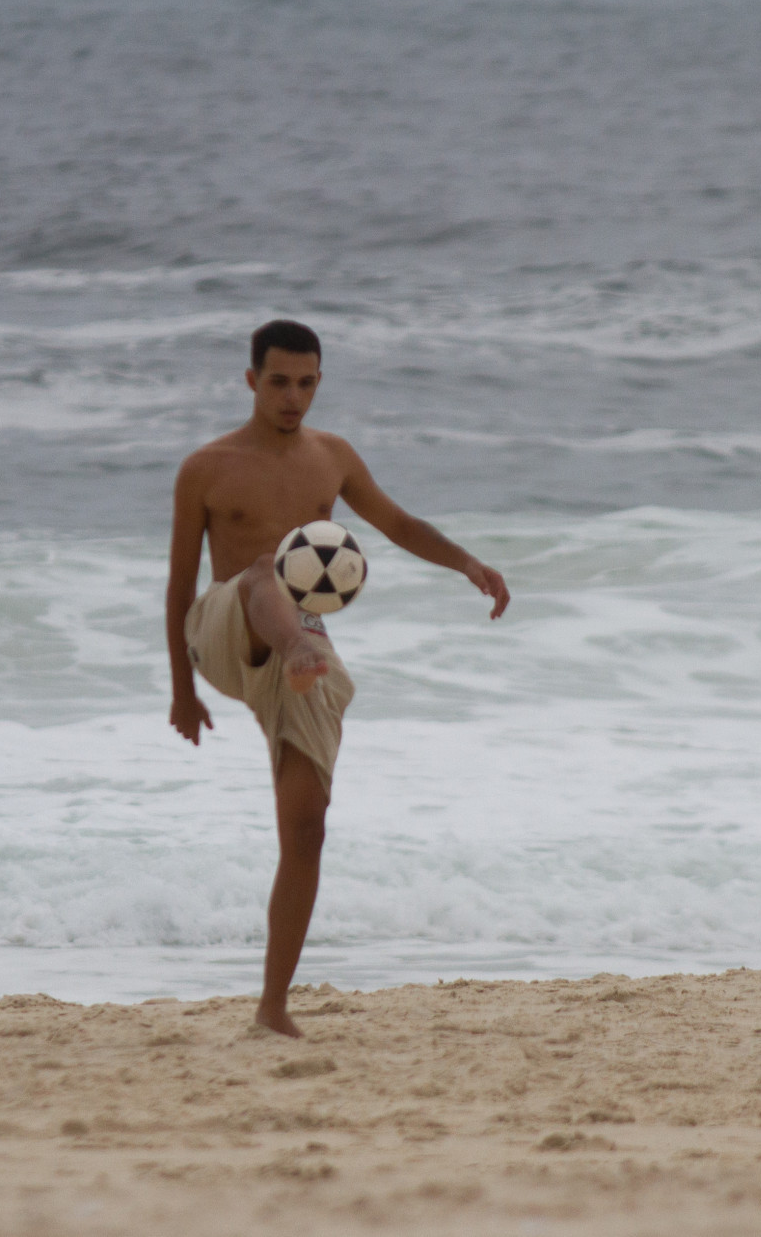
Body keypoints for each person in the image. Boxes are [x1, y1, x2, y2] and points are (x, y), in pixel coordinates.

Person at [167, 319, 510, 1037]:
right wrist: (181, 688)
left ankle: (271, 1009)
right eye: (280, 381)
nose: (294, 397)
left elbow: (396, 521)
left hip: (304, 646)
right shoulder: (207, 467)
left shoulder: (333, 457)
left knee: (307, 824)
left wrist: (468, 563)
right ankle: (294, 647)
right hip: (227, 625)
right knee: (266, 570)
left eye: (308, 382)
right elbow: (177, 586)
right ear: (252, 380)